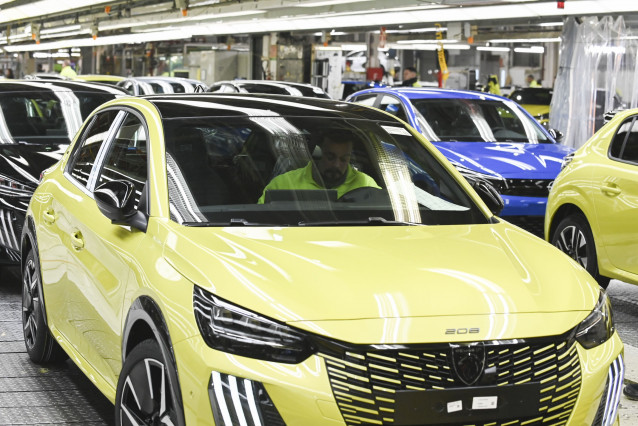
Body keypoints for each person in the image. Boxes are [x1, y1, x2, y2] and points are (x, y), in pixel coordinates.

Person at [258, 129, 379, 203]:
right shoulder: (283, 184)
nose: (336, 165)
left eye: (344, 159)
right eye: (330, 157)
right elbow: (260, 222)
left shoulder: (366, 185)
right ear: (318, 154)